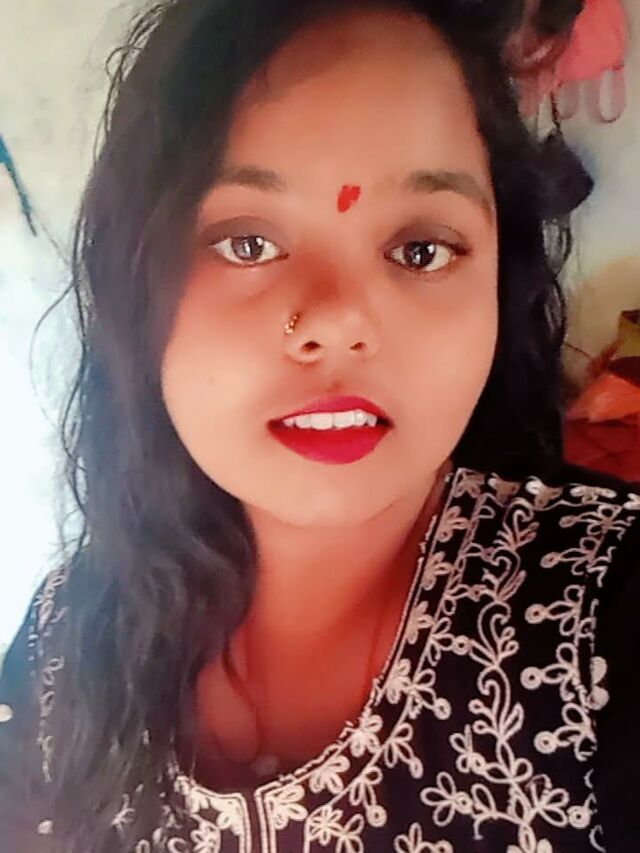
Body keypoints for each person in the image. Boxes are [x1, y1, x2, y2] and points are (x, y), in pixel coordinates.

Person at [0, 0, 638, 850]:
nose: (338, 322)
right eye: (246, 242)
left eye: (421, 249)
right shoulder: (60, 647)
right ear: (134, 286)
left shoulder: (601, 611)